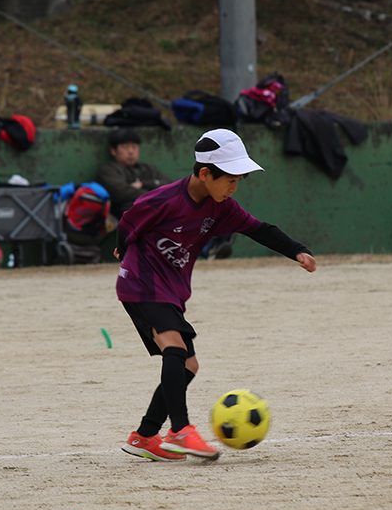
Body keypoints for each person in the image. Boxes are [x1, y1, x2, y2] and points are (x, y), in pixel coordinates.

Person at [116, 129, 316, 461]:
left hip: (170, 290)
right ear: (206, 173)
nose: (234, 188)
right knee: (175, 348)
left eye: (238, 181)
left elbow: (259, 229)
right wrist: (122, 250)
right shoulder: (164, 199)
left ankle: (145, 436)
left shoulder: (221, 208)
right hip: (142, 284)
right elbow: (128, 221)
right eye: (230, 180)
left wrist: (296, 250)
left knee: (188, 365)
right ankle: (180, 430)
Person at [97, 128, 171, 218]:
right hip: (130, 217)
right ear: (113, 150)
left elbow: (170, 186)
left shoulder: (149, 168)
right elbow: (122, 193)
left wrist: (143, 184)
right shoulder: (109, 170)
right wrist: (156, 193)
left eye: (134, 147)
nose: (131, 151)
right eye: (125, 147)